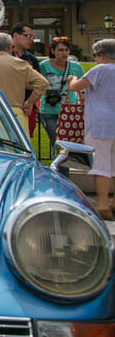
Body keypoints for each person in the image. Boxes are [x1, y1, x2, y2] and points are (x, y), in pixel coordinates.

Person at [68, 38, 115, 220]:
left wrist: (72, 78)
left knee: (101, 163)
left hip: (99, 122)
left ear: (101, 55)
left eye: (95, 56)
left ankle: (102, 204)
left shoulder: (100, 69)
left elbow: (76, 87)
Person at [0, 32, 48, 136]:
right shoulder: (19, 64)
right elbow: (43, 83)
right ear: (9, 47)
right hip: (15, 113)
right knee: (18, 150)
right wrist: (30, 102)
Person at [38, 37, 85, 152]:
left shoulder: (75, 66)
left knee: (66, 144)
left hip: (69, 110)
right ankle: (61, 169)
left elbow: (83, 85)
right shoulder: (44, 66)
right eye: (60, 50)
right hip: (49, 110)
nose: (64, 53)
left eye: (66, 50)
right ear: (53, 51)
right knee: (57, 143)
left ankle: (61, 168)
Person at [11, 23, 42, 134]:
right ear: (15, 36)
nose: (31, 40)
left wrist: (30, 102)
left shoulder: (31, 59)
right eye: (28, 36)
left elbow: (39, 83)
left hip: (27, 109)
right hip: (8, 106)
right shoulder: (6, 56)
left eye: (33, 37)